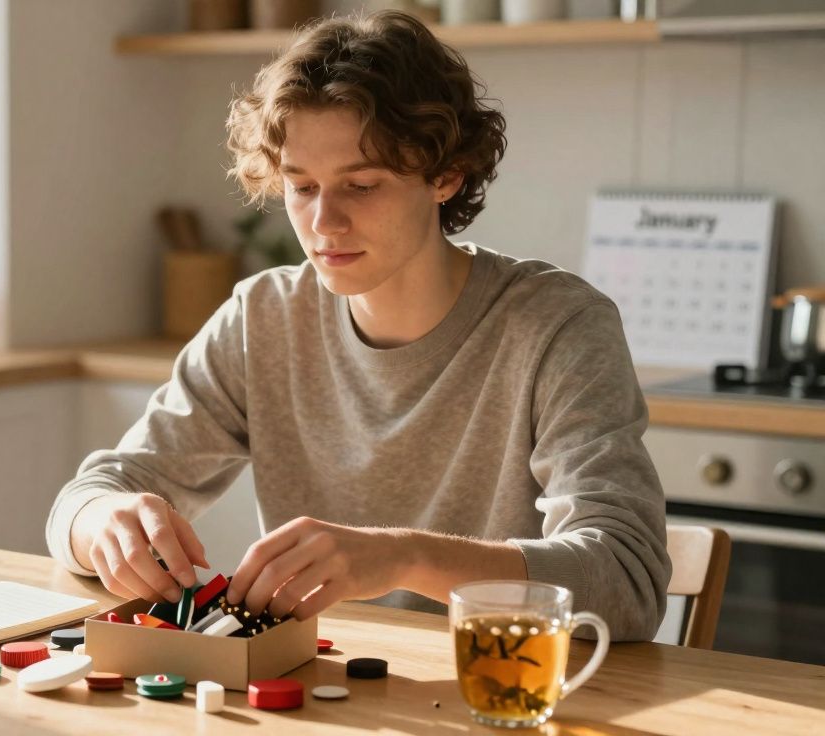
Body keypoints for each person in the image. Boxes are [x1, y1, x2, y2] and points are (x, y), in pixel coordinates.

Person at [45, 11, 670, 640]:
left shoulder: (558, 325)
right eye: (302, 186)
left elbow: (627, 581)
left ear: (445, 176)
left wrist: (404, 557)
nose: (324, 223)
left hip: (496, 692)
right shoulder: (263, 317)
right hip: (312, 692)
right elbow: (93, 492)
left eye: (361, 185)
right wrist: (102, 521)